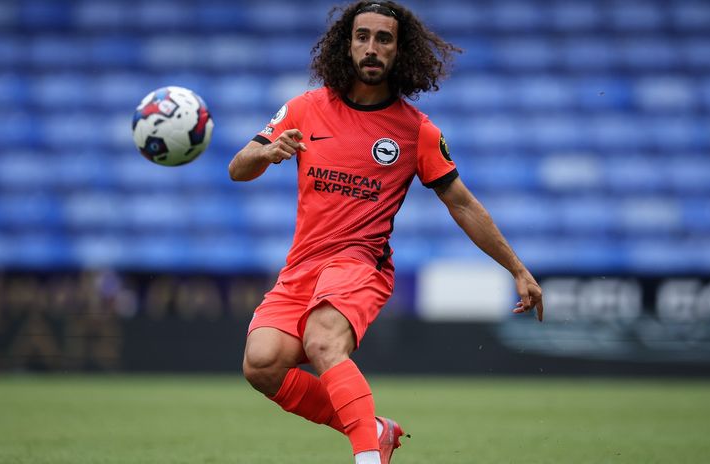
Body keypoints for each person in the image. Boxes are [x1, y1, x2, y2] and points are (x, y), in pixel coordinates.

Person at [228, 2, 544, 463]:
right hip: (302, 267)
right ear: (346, 45)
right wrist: (267, 153)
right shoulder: (305, 108)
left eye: (384, 39)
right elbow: (238, 168)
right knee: (260, 364)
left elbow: (462, 203)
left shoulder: (417, 131)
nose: (371, 48)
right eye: (362, 37)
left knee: (323, 340)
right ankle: (373, 429)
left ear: (401, 51)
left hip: (360, 263)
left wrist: (517, 268)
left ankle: (367, 459)